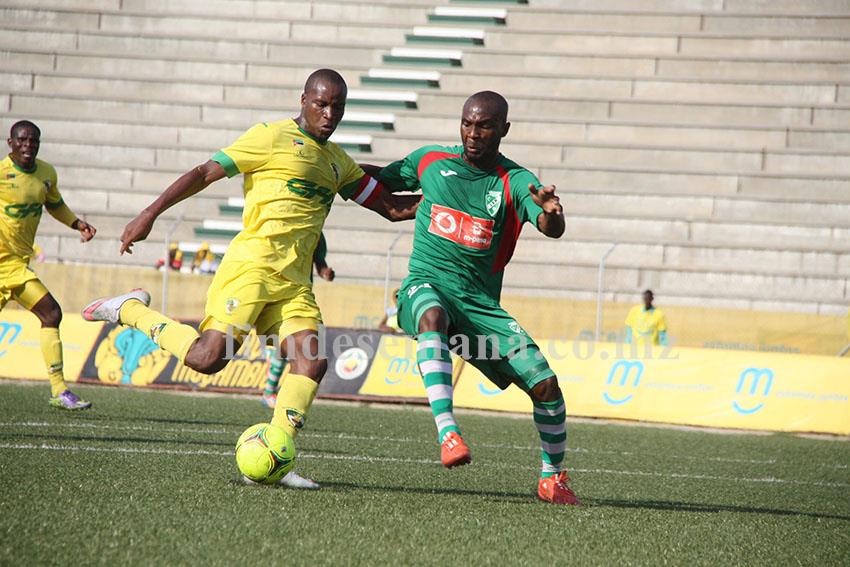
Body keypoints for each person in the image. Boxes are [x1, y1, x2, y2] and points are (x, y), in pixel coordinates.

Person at [82, 69, 420, 487]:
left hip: (294, 284)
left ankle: (278, 454)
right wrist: (149, 214)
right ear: (303, 100)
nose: (329, 114)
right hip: (251, 269)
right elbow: (204, 172)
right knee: (208, 360)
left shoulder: (338, 162)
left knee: (311, 363)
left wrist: (452, 197)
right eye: (321, 104)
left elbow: (391, 208)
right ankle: (130, 310)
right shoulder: (269, 136)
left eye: (338, 107)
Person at [369, 91, 578, 505]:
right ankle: (448, 432)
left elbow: (550, 225)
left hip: (480, 306)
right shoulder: (430, 161)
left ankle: (552, 479)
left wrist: (552, 213)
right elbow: (379, 181)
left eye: (484, 126)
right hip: (425, 285)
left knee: (547, 386)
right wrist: (333, 171)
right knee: (430, 314)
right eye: (467, 123)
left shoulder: (514, 181)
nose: (473, 133)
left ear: (504, 130)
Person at [0, 120, 97, 410]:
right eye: (22, 140)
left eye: (33, 141)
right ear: (10, 144)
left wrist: (77, 223)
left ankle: (60, 390)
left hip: (18, 267)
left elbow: (54, 204)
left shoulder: (46, 173)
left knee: (51, 314)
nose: (28, 145)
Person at [261, 231, 335, 409]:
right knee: (286, 348)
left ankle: (271, 391)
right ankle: (270, 391)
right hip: (272, 289)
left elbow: (320, 264)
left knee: (294, 349)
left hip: (298, 296)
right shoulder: (278, 227)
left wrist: (326, 273)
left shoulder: (316, 233)